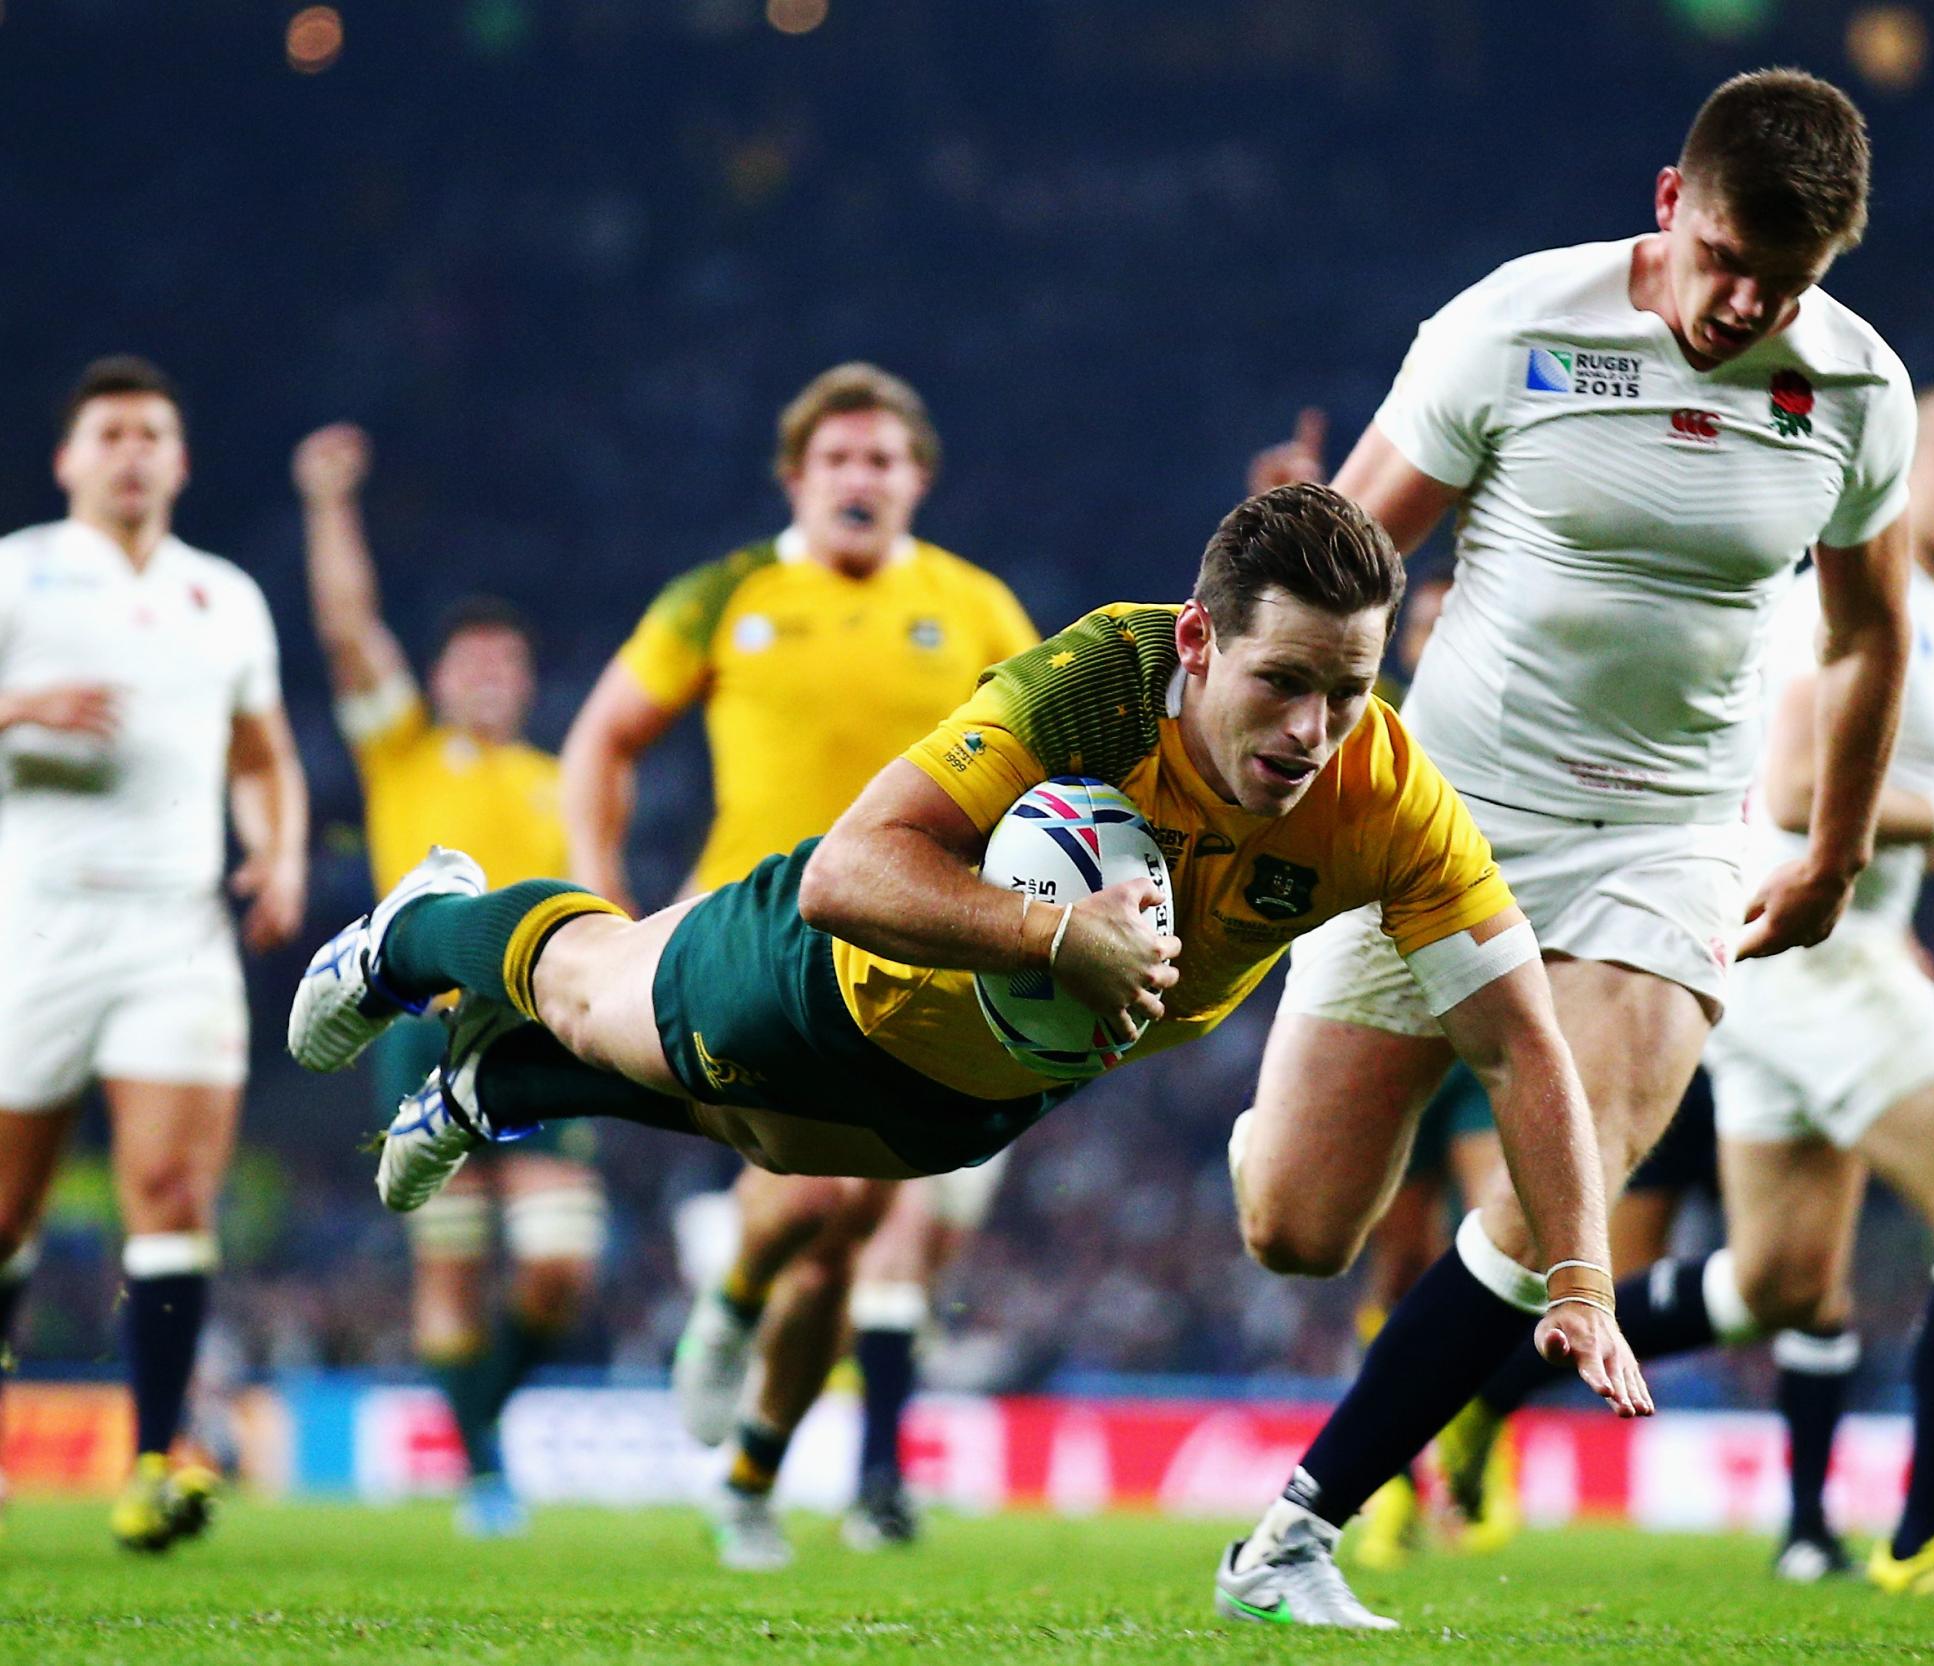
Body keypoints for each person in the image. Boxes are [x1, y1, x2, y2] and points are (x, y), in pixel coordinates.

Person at [292, 485, 1651, 1608]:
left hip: (986, 1092)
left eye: (1348, 691)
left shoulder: (1390, 798)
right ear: (1196, 643)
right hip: (826, 975)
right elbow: (847, 870)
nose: (1313, 731)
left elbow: (1525, 1046)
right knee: (599, 995)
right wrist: (1059, 941)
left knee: (761, 1137)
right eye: (1283, 682)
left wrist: (1578, 1278)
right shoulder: (1099, 686)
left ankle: (492, 1081)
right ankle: (422, 931)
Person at [1218, 68, 1917, 1627]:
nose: (1746, 303)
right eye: (1728, 256)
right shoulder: (1514, 326)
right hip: (1439, 814)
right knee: (1298, 1228)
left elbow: (1871, 640)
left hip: (1668, 838)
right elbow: (1353, 554)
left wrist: (1834, 854)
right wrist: (1241, 742)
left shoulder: (1862, 394)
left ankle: (1303, 1527)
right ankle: (1271, 1155)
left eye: (1786, 282)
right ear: (1672, 201)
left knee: (1567, 1188)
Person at [1465, 386, 1934, 1600]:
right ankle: (1925, 1539)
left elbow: (1864, 832)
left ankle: (1487, 1384)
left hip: (1779, 961)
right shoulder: (1851, 604)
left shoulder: (1930, 619)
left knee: (1776, 1283)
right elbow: (1800, 799)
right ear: (1902, 475)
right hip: (1813, 961)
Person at [559, 363, 1038, 1565]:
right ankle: (725, 1310)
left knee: (850, 1231)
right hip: (747, 938)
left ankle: (753, 1468)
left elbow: (1056, 768)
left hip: (910, 955)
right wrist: (595, 890)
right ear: (799, 478)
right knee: (820, 1202)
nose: (861, 479)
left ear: (918, 478)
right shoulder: (728, 594)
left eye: (883, 460)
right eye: (838, 460)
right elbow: (602, 738)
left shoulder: (979, 609)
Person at [0, 356, 307, 1549]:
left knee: (174, 1198)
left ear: (179, 462)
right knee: (9, 1210)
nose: (132, 452)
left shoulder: (221, 595)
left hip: (176, 929)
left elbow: (264, 750)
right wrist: (21, 708)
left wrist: (277, 853)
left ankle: (155, 1460)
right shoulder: (19, 572)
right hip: (34, 924)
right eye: (111, 432)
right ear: (70, 457)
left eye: (153, 434)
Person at [293, 422, 607, 1540]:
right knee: (451, 1264)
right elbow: (345, 633)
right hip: (421, 1028)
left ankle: (481, 1435)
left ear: (525, 681)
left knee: (561, 1268)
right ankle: (484, 1471)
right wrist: (328, 499)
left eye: (504, 663)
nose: (487, 675)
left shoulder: (560, 780)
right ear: (440, 677)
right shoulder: (404, 753)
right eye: (468, 660)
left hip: (534, 1029)